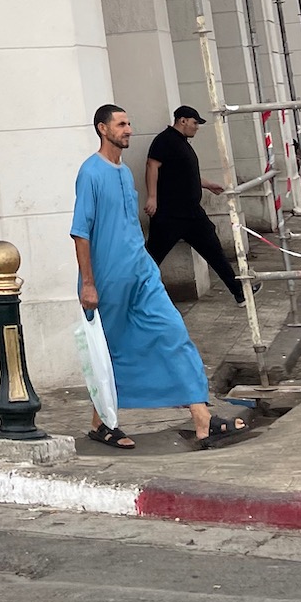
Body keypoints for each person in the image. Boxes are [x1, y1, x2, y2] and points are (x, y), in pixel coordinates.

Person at [71, 105, 247, 451]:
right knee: (111, 351)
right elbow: (81, 232)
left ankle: (202, 418)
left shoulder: (122, 173)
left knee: (173, 332)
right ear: (102, 129)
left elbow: (129, 224)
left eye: (129, 122)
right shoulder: (90, 173)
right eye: (121, 124)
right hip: (107, 279)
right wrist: (88, 283)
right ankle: (102, 424)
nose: (129, 129)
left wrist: (147, 264)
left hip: (142, 272)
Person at [144, 105, 249, 304]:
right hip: (170, 215)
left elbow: (187, 173)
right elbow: (152, 166)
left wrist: (208, 185)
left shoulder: (183, 143)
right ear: (182, 120)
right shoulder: (164, 140)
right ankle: (135, 298)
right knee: (151, 259)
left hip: (192, 214)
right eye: (194, 123)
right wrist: (151, 197)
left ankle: (240, 292)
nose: (197, 127)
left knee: (215, 252)